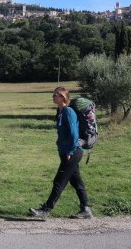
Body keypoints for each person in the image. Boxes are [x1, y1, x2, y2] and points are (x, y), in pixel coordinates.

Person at [29, 86, 93, 219]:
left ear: (63, 98)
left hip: (73, 151)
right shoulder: (60, 111)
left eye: (56, 95)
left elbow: (73, 134)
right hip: (68, 151)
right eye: (53, 94)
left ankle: (46, 210)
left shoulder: (68, 111)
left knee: (59, 181)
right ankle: (86, 210)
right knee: (76, 182)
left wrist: (69, 151)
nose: (53, 96)